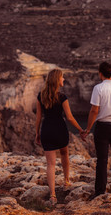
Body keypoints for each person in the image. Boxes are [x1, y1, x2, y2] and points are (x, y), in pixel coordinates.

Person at [35, 69, 83, 205]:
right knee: (64, 154)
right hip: (60, 130)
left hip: (47, 131)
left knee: (50, 164)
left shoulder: (41, 96)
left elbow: (38, 117)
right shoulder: (62, 97)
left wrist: (37, 133)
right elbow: (69, 117)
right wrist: (80, 129)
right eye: (62, 78)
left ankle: (53, 195)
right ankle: (66, 181)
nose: (64, 80)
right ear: (57, 80)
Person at [81, 61, 111, 198]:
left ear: (100, 73)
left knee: (102, 160)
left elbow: (94, 110)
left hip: (102, 127)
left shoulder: (98, 88)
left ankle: (100, 191)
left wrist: (88, 128)